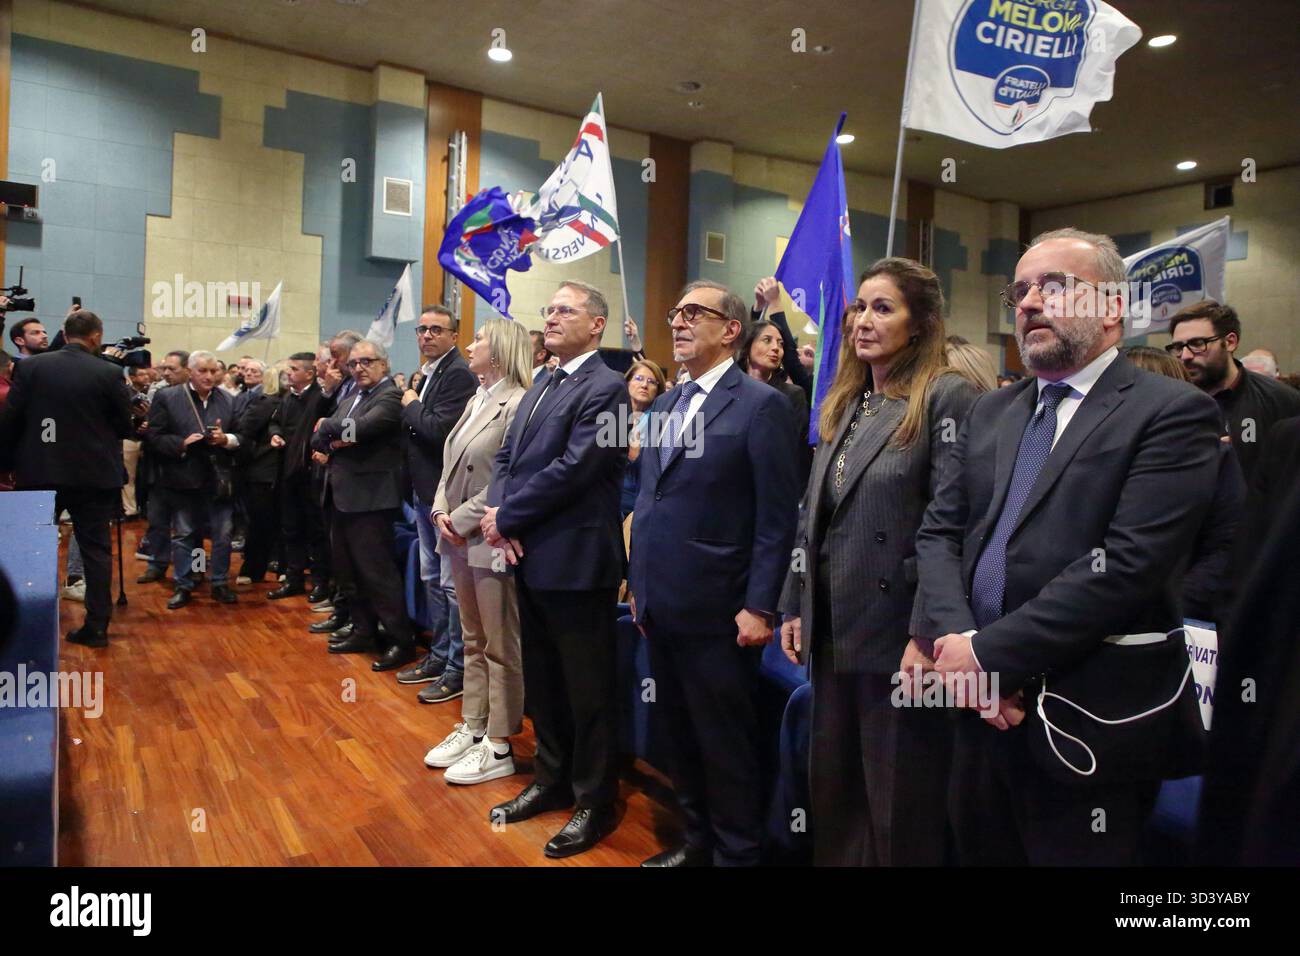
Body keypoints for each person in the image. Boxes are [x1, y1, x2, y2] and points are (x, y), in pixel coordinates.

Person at [914, 228, 1222, 865]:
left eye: (1052, 286)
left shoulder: (1172, 412)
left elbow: (1127, 566)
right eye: (1019, 289)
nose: (1027, 302)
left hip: (1091, 720)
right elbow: (941, 533)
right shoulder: (993, 411)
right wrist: (961, 649)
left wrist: (987, 656)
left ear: (1112, 307)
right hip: (978, 713)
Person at [777, 259, 978, 866]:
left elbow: (951, 525)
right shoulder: (849, 398)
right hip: (835, 628)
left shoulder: (946, 394)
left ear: (919, 325)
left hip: (900, 637)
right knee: (835, 792)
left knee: (899, 805)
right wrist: (795, 602)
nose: (863, 320)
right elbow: (813, 513)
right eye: (859, 307)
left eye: (883, 308)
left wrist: (927, 632)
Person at [628, 280, 800, 867]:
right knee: (679, 735)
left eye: (693, 313)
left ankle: (736, 856)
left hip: (722, 612)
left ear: (731, 329)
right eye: (675, 312)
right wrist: (640, 584)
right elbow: (650, 500)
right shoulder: (668, 403)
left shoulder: (762, 405)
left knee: (725, 746)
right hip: (660, 604)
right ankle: (695, 842)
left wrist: (761, 606)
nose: (678, 322)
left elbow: (777, 520)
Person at [480, 280, 629, 858]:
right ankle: (551, 779)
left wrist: (507, 516)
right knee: (544, 679)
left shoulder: (607, 386)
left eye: (565, 310)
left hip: (577, 559)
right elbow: (509, 457)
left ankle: (594, 800)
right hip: (530, 550)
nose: (551, 318)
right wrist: (500, 515)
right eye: (548, 310)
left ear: (596, 324)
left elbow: (577, 467)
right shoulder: (543, 379)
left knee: (587, 688)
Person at [425, 319, 532, 782]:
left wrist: (461, 518)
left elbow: (508, 476)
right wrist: (438, 511)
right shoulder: (477, 398)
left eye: (478, 340)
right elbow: (448, 466)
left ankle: (500, 742)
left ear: (501, 349)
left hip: (487, 535)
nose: (469, 345)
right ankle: (472, 724)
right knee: (471, 638)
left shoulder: (518, 401)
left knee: (498, 642)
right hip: (455, 535)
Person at [0, 310, 132, 647]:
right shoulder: (110, 372)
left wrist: (7, 464)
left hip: (40, 471)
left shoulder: (31, 367)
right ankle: (97, 626)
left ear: (64, 332)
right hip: (93, 476)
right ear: (96, 337)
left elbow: (11, 419)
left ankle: (26, 619)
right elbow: (124, 426)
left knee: (33, 547)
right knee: (96, 551)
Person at [314, 339, 417, 671]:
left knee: (377, 574)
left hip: (371, 500)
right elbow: (320, 436)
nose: (358, 368)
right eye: (354, 363)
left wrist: (332, 432)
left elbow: (362, 428)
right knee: (348, 572)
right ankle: (363, 631)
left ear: (383, 365)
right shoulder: (353, 397)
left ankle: (401, 641)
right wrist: (336, 436)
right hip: (342, 497)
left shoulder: (389, 396)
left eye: (366, 362)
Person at [1124, 345, 1246, 624]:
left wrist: (1173, 607)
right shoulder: (1092, 458)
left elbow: (1225, 549)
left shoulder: (1216, 458)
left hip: (1176, 623)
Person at [395, 305, 477, 701]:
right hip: (422, 489)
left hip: (442, 494)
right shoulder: (428, 372)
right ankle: (439, 655)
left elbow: (437, 431)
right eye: (422, 329)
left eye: (436, 330)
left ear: (454, 336)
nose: (426, 336)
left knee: (449, 584)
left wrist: (409, 402)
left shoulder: (458, 373)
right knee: (432, 579)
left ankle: (455, 666)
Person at [146, 350, 244, 609]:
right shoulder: (167, 397)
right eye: (203, 371)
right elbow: (154, 437)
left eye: (214, 371)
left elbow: (243, 437)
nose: (209, 376)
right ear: (190, 372)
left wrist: (227, 439)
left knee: (222, 536)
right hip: (182, 478)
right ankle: (184, 583)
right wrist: (182, 443)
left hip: (218, 479)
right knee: (186, 534)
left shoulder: (229, 400)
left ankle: (219, 582)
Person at [1167, 301, 1300, 486]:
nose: (1186, 356)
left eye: (1198, 343)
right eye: (1178, 347)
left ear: (1230, 342)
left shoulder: (1281, 400)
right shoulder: (1169, 404)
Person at [268, 352, 327, 601]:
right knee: (290, 528)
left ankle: (320, 582)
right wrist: (275, 433)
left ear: (309, 373)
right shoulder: (288, 398)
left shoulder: (320, 398)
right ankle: (293, 579)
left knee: (316, 531)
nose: (288, 373)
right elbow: (275, 422)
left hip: (311, 473)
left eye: (293, 369)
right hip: (288, 472)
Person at [735, 317, 811, 482]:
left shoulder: (793, 395)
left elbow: (788, 449)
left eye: (780, 344)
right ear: (748, 346)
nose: (776, 348)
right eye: (767, 340)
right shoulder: (730, 392)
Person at [136, 351, 189, 577]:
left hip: (189, 472)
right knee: (157, 521)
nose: (166, 373)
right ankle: (157, 563)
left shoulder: (199, 398)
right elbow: (154, 433)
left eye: (172, 369)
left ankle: (192, 569)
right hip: (159, 469)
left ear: (188, 370)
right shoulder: (160, 393)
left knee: (188, 529)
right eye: (164, 368)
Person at [232, 362, 283, 588]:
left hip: (267, 470)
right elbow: (247, 431)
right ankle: (259, 567)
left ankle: (260, 567)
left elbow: (245, 429)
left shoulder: (274, 402)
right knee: (264, 523)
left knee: (266, 523)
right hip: (266, 471)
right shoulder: (270, 403)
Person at [752, 277, 813, 398]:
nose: (798, 352)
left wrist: (775, 303)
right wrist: (759, 307)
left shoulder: (808, 389)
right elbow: (750, 341)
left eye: (809, 354)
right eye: (767, 340)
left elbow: (791, 360)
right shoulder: (772, 378)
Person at [621, 359, 666, 519]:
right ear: (627, 382)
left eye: (652, 382)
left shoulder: (661, 422)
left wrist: (635, 456)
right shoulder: (612, 415)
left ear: (658, 390)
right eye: (639, 379)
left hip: (640, 502)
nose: (645, 385)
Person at [120, 366, 152, 517]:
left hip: (145, 438)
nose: (146, 376)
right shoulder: (126, 393)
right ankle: (130, 509)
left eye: (146, 373)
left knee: (144, 476)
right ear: (132, 377)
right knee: (129, 476)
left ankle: (143, 507)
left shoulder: (147, 392)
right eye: (141, 374)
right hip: (130, 438)